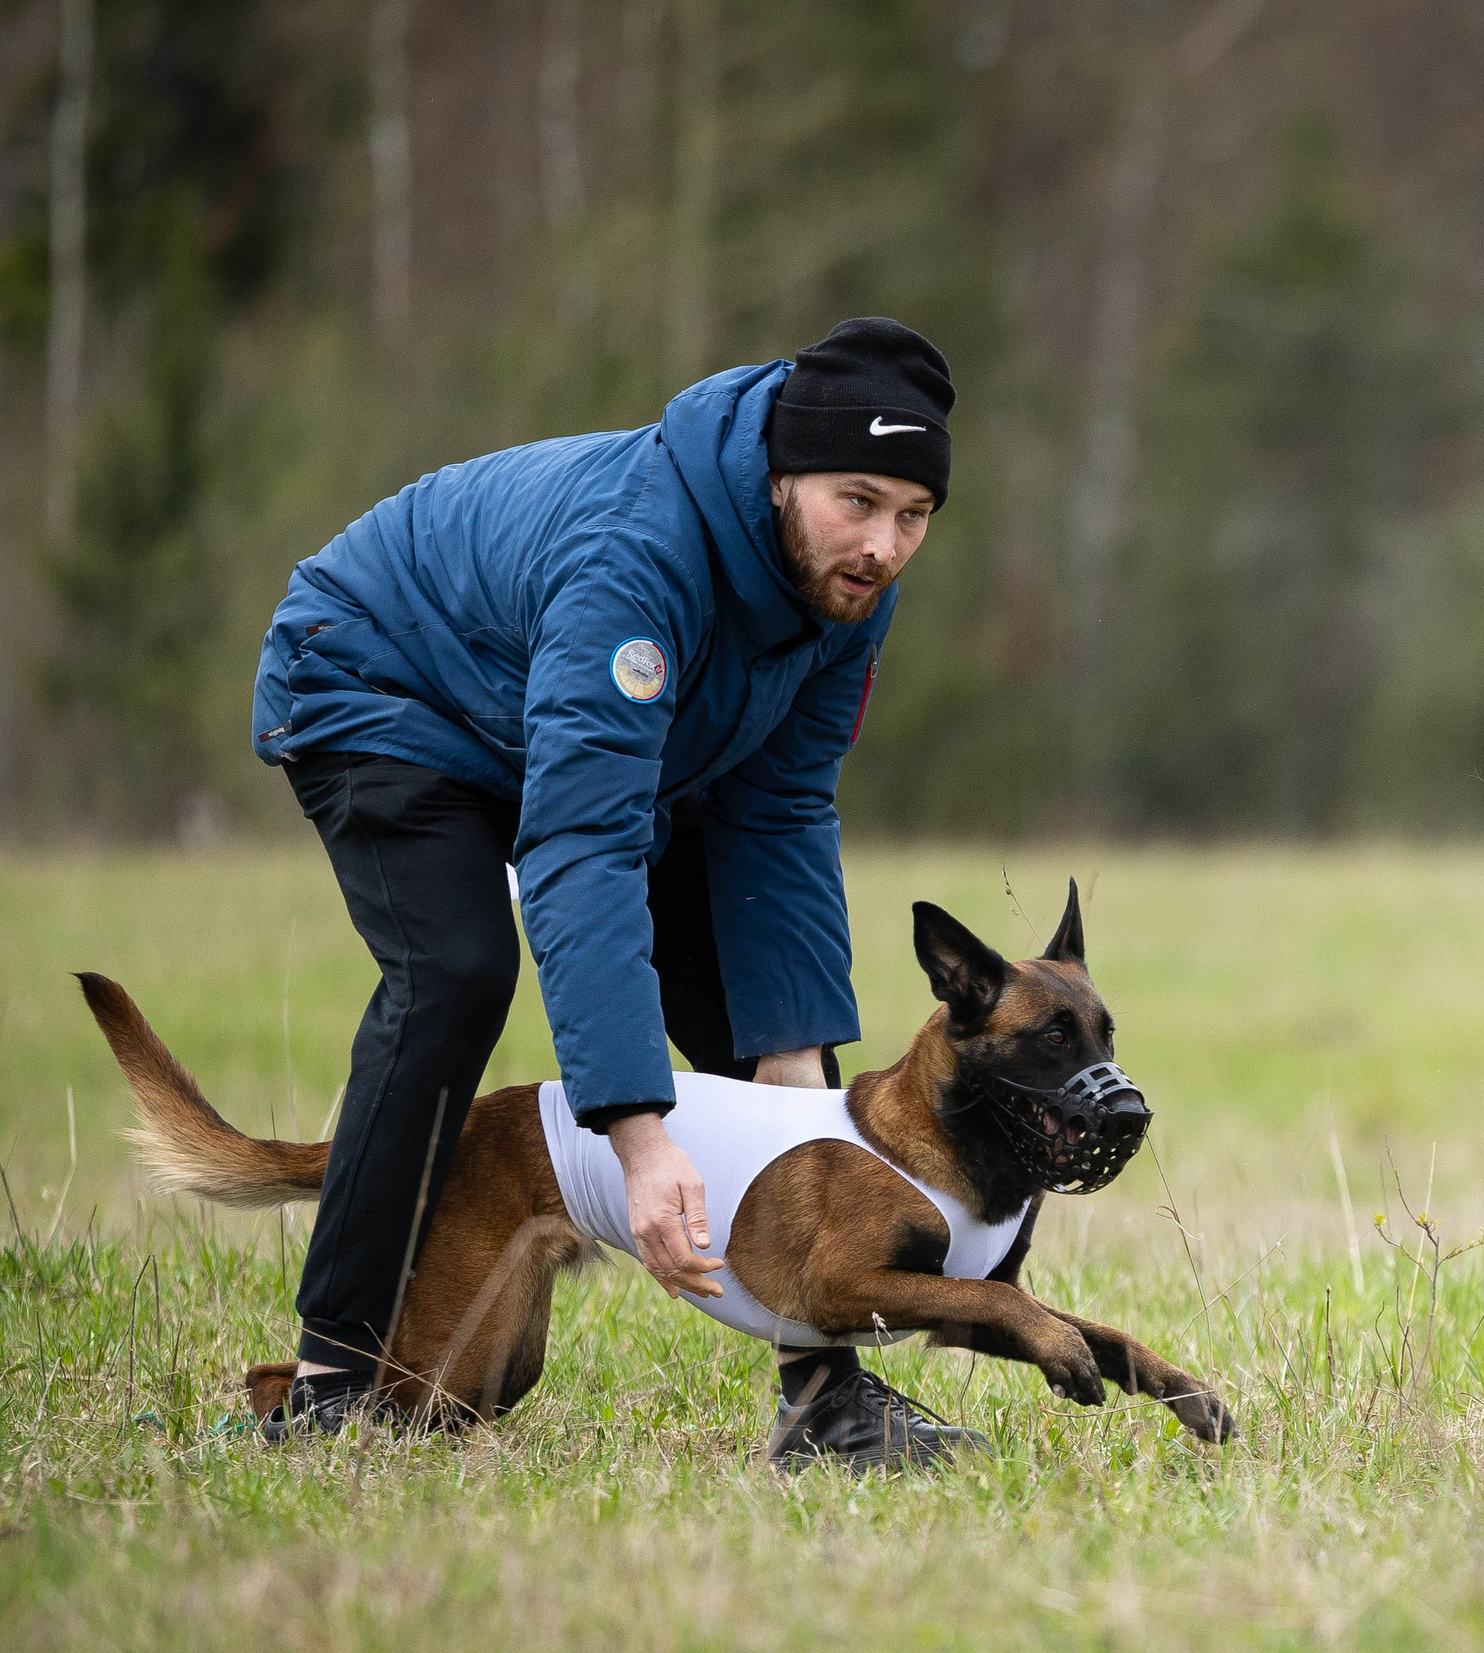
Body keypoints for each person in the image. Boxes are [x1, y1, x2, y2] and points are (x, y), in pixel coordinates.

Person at [249, 317, 968, 1466]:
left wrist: (787, 1080)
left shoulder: (844, 594)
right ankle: (334, 1377)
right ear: (783, 474)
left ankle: (826, 1400)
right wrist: (639, 1139)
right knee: (457, 972)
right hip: (382, 680)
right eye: (858, 500)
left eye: (913, 516)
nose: (883, 546)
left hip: (577, 733)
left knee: (751, 1005)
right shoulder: (638, 556)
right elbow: (583, 847)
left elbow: (778, 822)